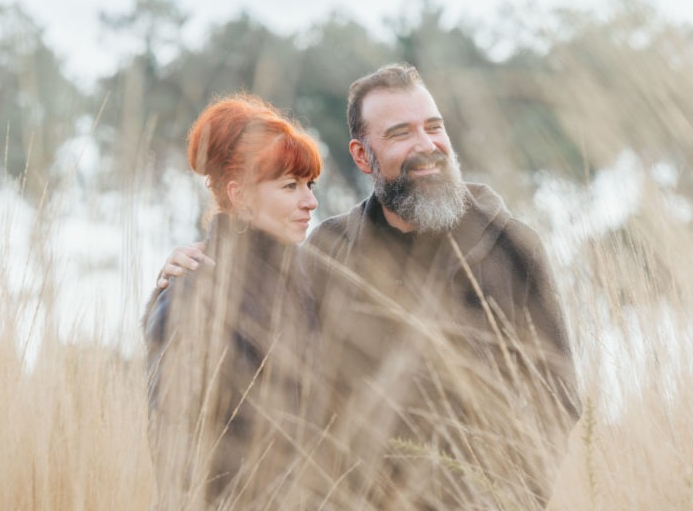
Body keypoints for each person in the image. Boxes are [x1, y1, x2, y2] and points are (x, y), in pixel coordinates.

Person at [158, 64, 579, 509]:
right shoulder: (328, 249)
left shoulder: (512, 245)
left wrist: (510, 498)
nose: (427, 146)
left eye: (434, 127)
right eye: (400, 133)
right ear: (362, 156)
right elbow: (281, 376)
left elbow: (557, 398)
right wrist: (197, 264)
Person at [142, 93, 324, 509]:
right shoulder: (194, 289)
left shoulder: (301, 281)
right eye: (290, 186)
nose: (310, 201)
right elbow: (174, 448)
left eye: (310, 185)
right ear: (239, 196)